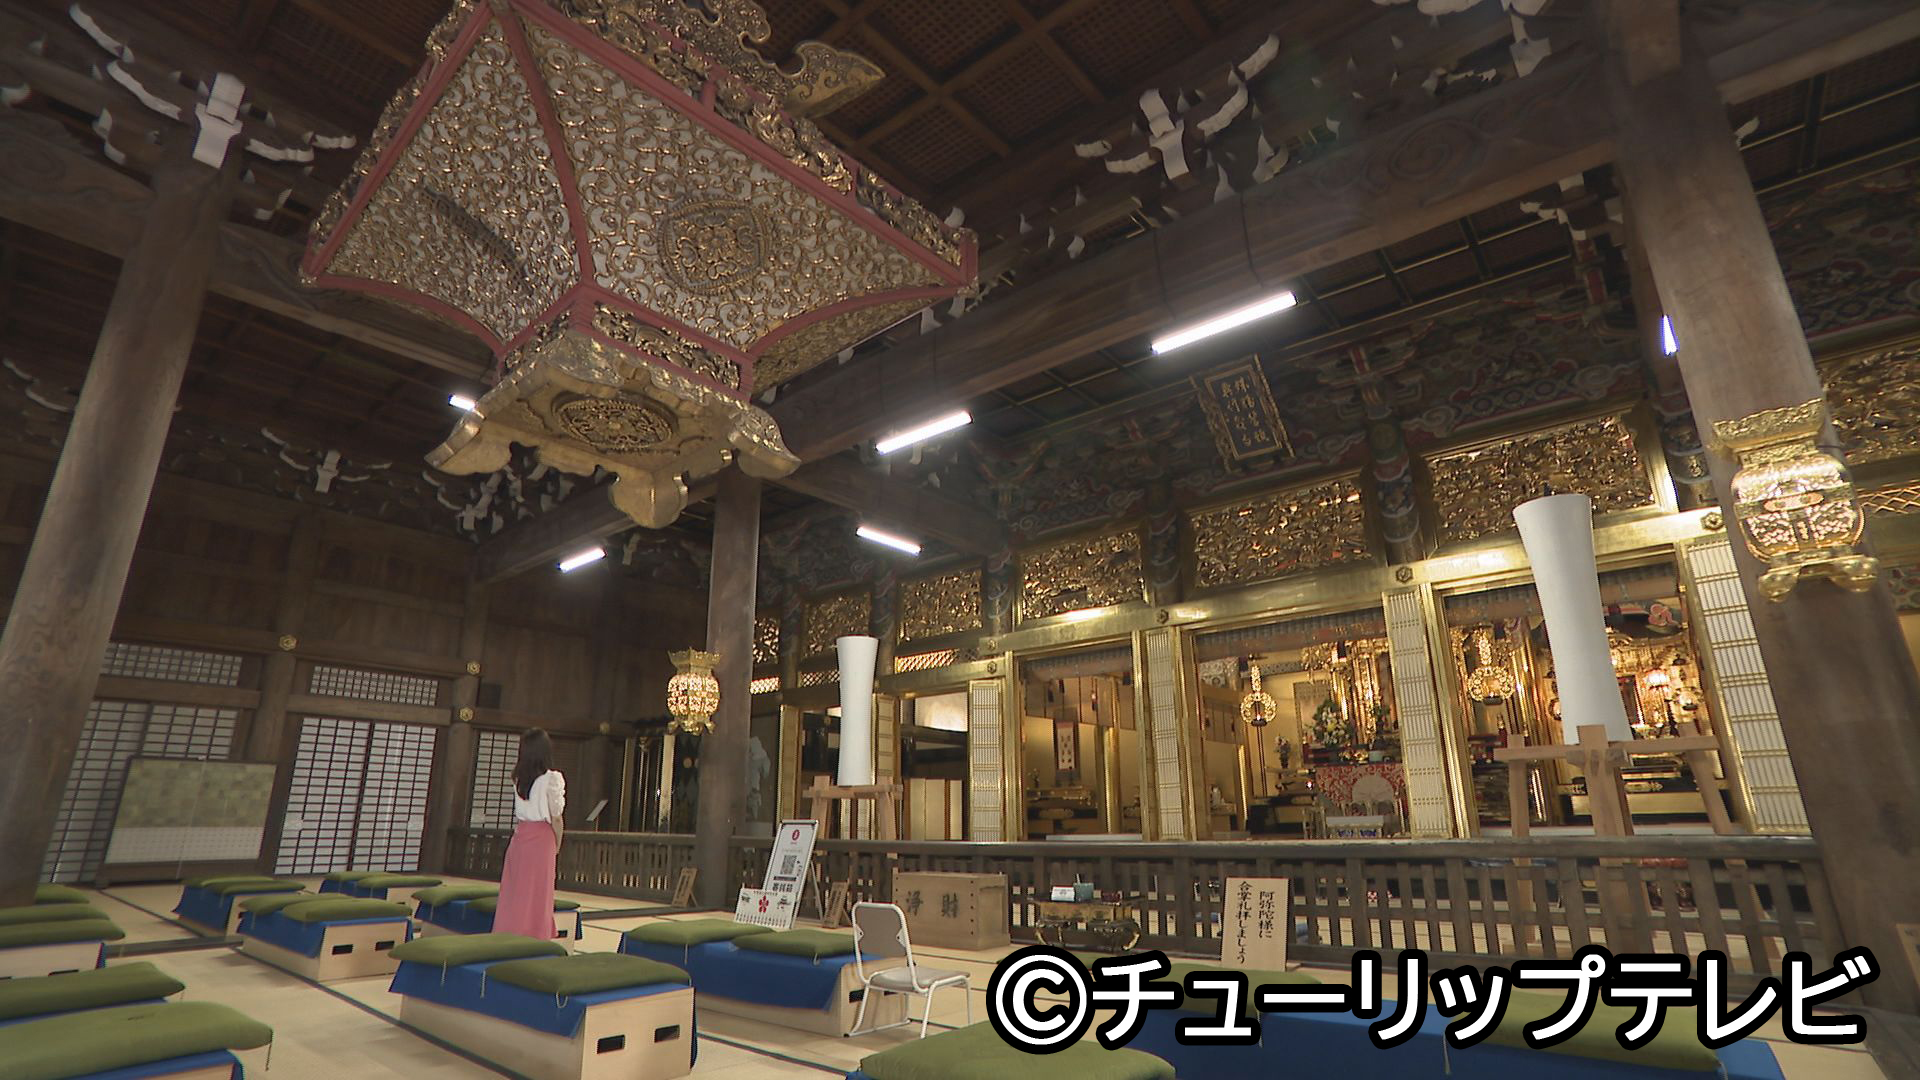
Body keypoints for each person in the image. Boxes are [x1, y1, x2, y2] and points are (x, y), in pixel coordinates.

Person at [495, 727, 564, 940]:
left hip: (520, 836)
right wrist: (557, 844)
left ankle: (508, 932)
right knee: (539, 891)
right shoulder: (551, 779)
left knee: (516, 889)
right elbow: (556, 817)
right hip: (542, 838)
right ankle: (536, 934)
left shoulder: (518, 779)